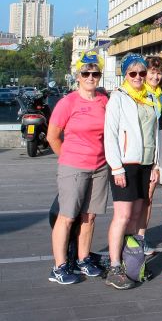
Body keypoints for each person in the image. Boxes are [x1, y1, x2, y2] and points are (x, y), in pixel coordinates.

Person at [46, 51, 109, 284]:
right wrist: (68, 160)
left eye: (95, 73)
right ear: (78, 76)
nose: (91, 77)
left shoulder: (104, 100)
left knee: (89, 216)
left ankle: (83, 259)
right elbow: (53, 136)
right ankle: (59, 266)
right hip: (74, 166)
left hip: (100, 167)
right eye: (86, 73)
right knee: (67, 216)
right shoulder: (68, 102)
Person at [103, 54, 160, 289]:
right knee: (123, 215)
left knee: (137, 214)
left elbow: (155, 133)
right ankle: (114, 265)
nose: (138, 77)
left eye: (142, 73)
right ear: (125, 75)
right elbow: (110, 134)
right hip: (125, 164)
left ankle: (131, 261)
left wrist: (156, 163)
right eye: (132, 73)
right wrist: (116, 167)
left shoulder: (150, 98)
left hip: (146, 163)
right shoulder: (118, 98)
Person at [137, 55, 162, 255]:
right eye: (152, 72)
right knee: (139, 198)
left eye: (159, 73)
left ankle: (140, 237)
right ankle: (133, 238)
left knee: (148, 197)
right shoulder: (138, 94)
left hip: (159, 151)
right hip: (140, 152)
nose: (156, 77)